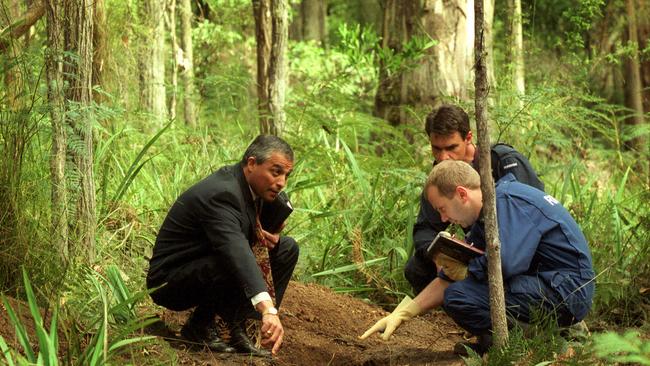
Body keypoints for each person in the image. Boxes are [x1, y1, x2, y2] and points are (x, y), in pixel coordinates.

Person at [361, 160, 595, 354]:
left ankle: (546, 343)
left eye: (442, 208)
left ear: (462, 194)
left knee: (461, 296)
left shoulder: (507, 202)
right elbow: (452, 277)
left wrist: (467, 270)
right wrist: (403, 313)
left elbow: (505, 264)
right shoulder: (488, 214)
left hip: (567, 289)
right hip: (545, 283)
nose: (442, 218)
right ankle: (504, 344)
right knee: (459, 294)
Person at [146, 135, 299, 357]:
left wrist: (271, 233)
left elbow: (249, 232)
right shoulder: (223, 193)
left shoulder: (255, 188)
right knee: (230, 259)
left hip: (206, 262)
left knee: (286, 248)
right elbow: (235, 250)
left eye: (286, 175)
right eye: (275, 172)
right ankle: (199, 327)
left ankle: (237, 326)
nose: (282, 182)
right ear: (252, 163)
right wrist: (268, 309)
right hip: (170, 281)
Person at [406, 104, 545, 294]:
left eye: (451, 147)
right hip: (478, 248)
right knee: (417, 269)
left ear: (469, 138)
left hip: (516, 249)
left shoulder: (502, 161)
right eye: (436, 149)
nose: (443, 157)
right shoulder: (440, 175)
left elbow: (534, 214)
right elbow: (425, 228)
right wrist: (439, 257)